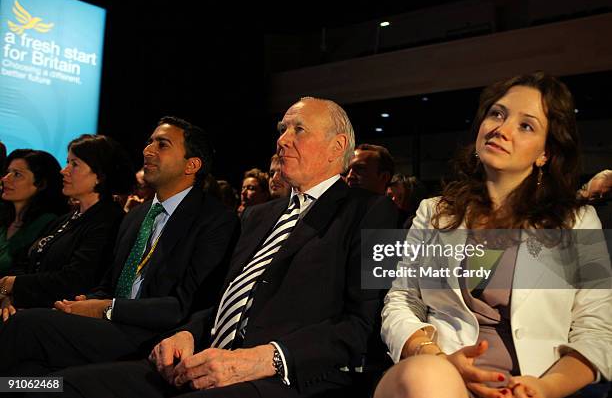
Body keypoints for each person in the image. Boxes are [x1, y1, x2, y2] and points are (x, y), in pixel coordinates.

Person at [40, 96, 398, 398]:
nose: (282, 140)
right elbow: (225, 299)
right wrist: (188, 333)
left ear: (337, 147)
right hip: (206, 361)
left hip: (287, 375)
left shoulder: (373, 211)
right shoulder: (257, 216)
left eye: (298, 130)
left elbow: (361, 325)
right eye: (282, 130)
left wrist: (263, 359)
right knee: (62, 386)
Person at [375, 72, 612, 398]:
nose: (501, 129)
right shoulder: (434, 212)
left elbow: (597, 331)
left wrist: (545, 388)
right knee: (425, 377)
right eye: (497, 114)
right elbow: (402, 301)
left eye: (526, 125)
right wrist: (439, 359)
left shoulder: (577, 221)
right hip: (437, 378)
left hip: (529, 386)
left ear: (545, 153)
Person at [0, 117, 239, 375]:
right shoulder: (137, 216)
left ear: (191, 165)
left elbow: (186, 305)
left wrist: (107, 308)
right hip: (109, 325)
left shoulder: (215, 220)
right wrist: (84, 302)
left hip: (154, 335)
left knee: (26, 326)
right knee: (31, 369)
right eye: (149, 142)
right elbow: (109, 283)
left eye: (162, 145)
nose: (148, 151)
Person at [0, 135, 133, 317]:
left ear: (99, 175)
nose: (64, 171)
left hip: (59, 314)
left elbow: (76, 280)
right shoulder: (66, 219)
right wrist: (8, 294)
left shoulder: (108, 220)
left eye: (74, 164)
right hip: (29, 307)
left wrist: (13, 285)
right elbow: (25, 262)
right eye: (67, 162)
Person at [0, 150, 67, 275]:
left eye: (17, 174)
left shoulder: (49, 223)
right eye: (8, 172)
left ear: (41, 184)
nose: (5, 179)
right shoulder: (4, 216)